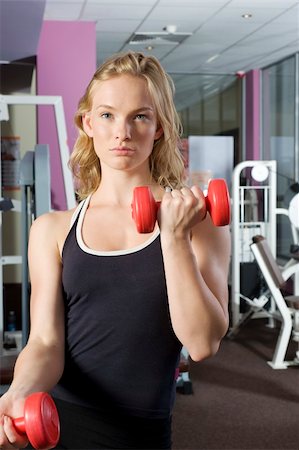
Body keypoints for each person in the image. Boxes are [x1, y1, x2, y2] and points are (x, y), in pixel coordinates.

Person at [0, 51, 231, 449]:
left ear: (158, 127)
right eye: (107, 115)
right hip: (60, 424)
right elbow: (44, 343)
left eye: (140, 116)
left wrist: (174, 238)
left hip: (144, 432)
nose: (122, 131)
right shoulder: (52, 229)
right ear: (87, 123)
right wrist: (17, 393)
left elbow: (202, 344)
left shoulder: (198, 223)